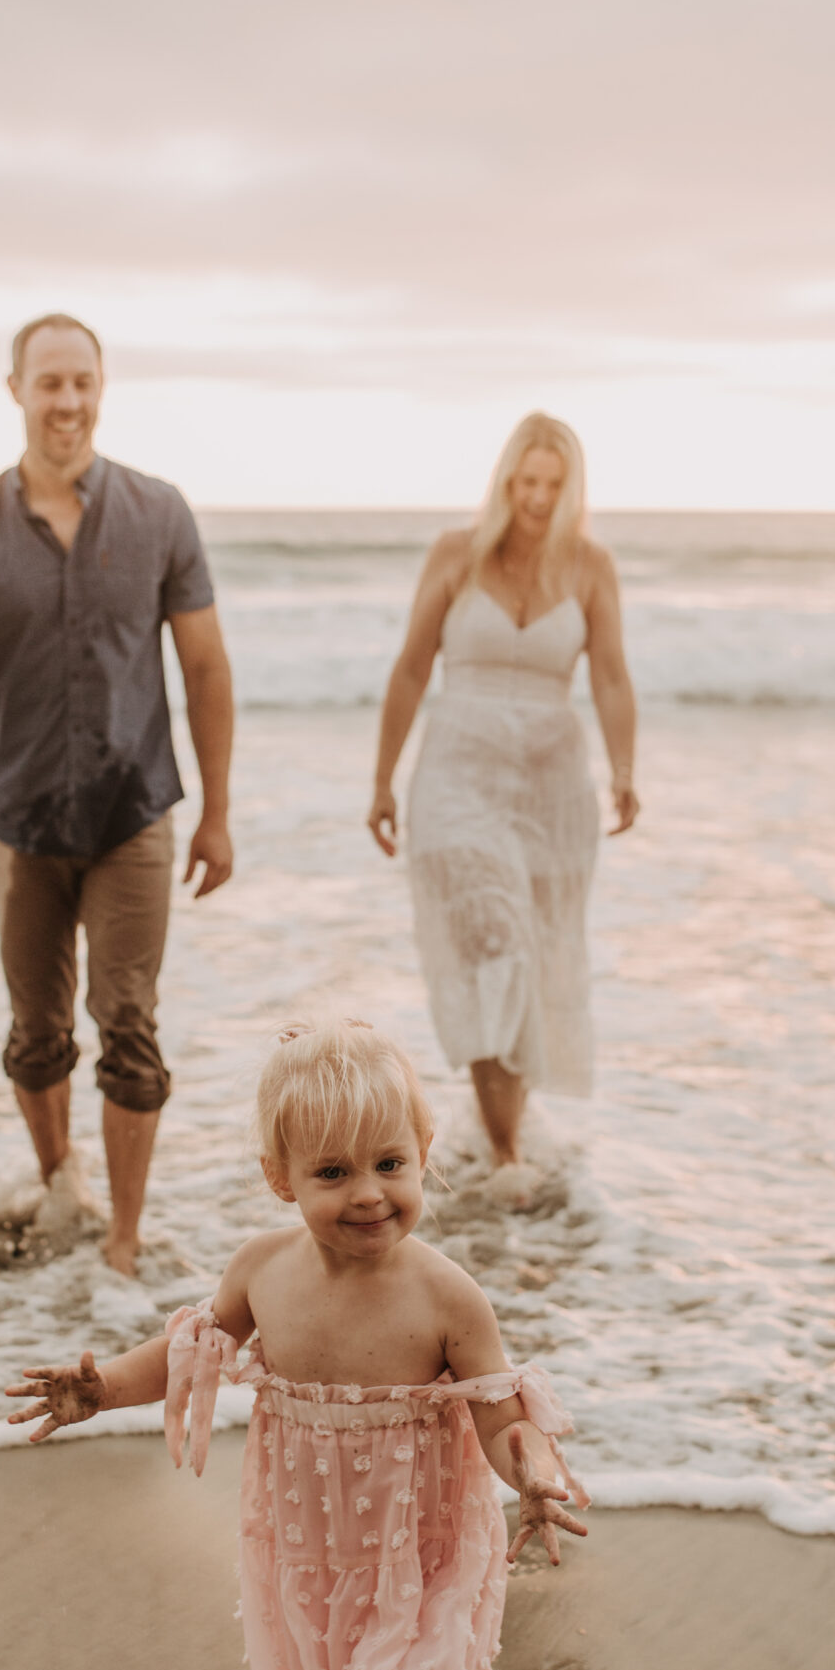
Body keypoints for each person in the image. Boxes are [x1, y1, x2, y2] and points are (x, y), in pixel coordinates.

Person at [5, 1020, 587, 1670]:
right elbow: (185, 1350)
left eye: (391, 1163)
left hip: (425, 1544)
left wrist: (531, 1463)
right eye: (334, 1170)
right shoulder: (264, 1272)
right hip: (310, 1548)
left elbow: (497, 1415)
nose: (369, 1192)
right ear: (281, 1178)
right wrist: (99, 1388)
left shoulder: (447, 1294)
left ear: (424, 1154)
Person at [0, 313, 234, 1277]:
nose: (68, 402)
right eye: (49, 383)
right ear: (16, 390)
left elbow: (205, 667)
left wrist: (217, 808)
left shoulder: (160, 512)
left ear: (102, 386)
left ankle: (123, 1240)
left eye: (82, 382)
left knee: (128, 1021)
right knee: (37, 1032)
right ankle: (60, 1181)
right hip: (18, 820)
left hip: (136, 812)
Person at [368, 413, 638, 1184]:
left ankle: (497, 1132)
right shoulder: (455, 555)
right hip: (456, 776)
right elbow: (412, 667)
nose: (538, 500)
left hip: (551, 788)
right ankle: (508, 1149)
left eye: (554, 486)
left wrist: (622, 770)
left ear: (571, 488)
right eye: (526, 483)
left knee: (534, 954)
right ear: (504, 482)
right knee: (494, 940)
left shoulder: (590, 567)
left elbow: (611, 676)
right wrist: (381, 779)